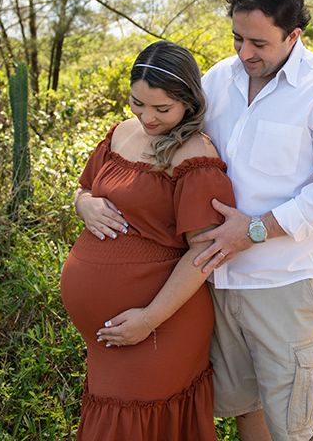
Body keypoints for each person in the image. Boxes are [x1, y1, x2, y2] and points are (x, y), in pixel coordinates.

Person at [189, 0, 313, 441]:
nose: (245, 53)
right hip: (217, 281)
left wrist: (253, 230)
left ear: (294, 35)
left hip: (283, 284)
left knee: (290, 421)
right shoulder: (215, 80)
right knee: (241, 404)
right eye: (237, 38)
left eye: (260, 43)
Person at [60, 40, 236, 440]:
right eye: (138, 103)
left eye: (162, 109)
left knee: (138, 425)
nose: (147, 117)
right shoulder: (122, 132)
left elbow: (206, 251)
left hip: (161, 326)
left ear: (189, 104)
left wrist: (149, 319)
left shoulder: (193, 156)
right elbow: (85, 189)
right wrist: (83, 204)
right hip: (108, 336)